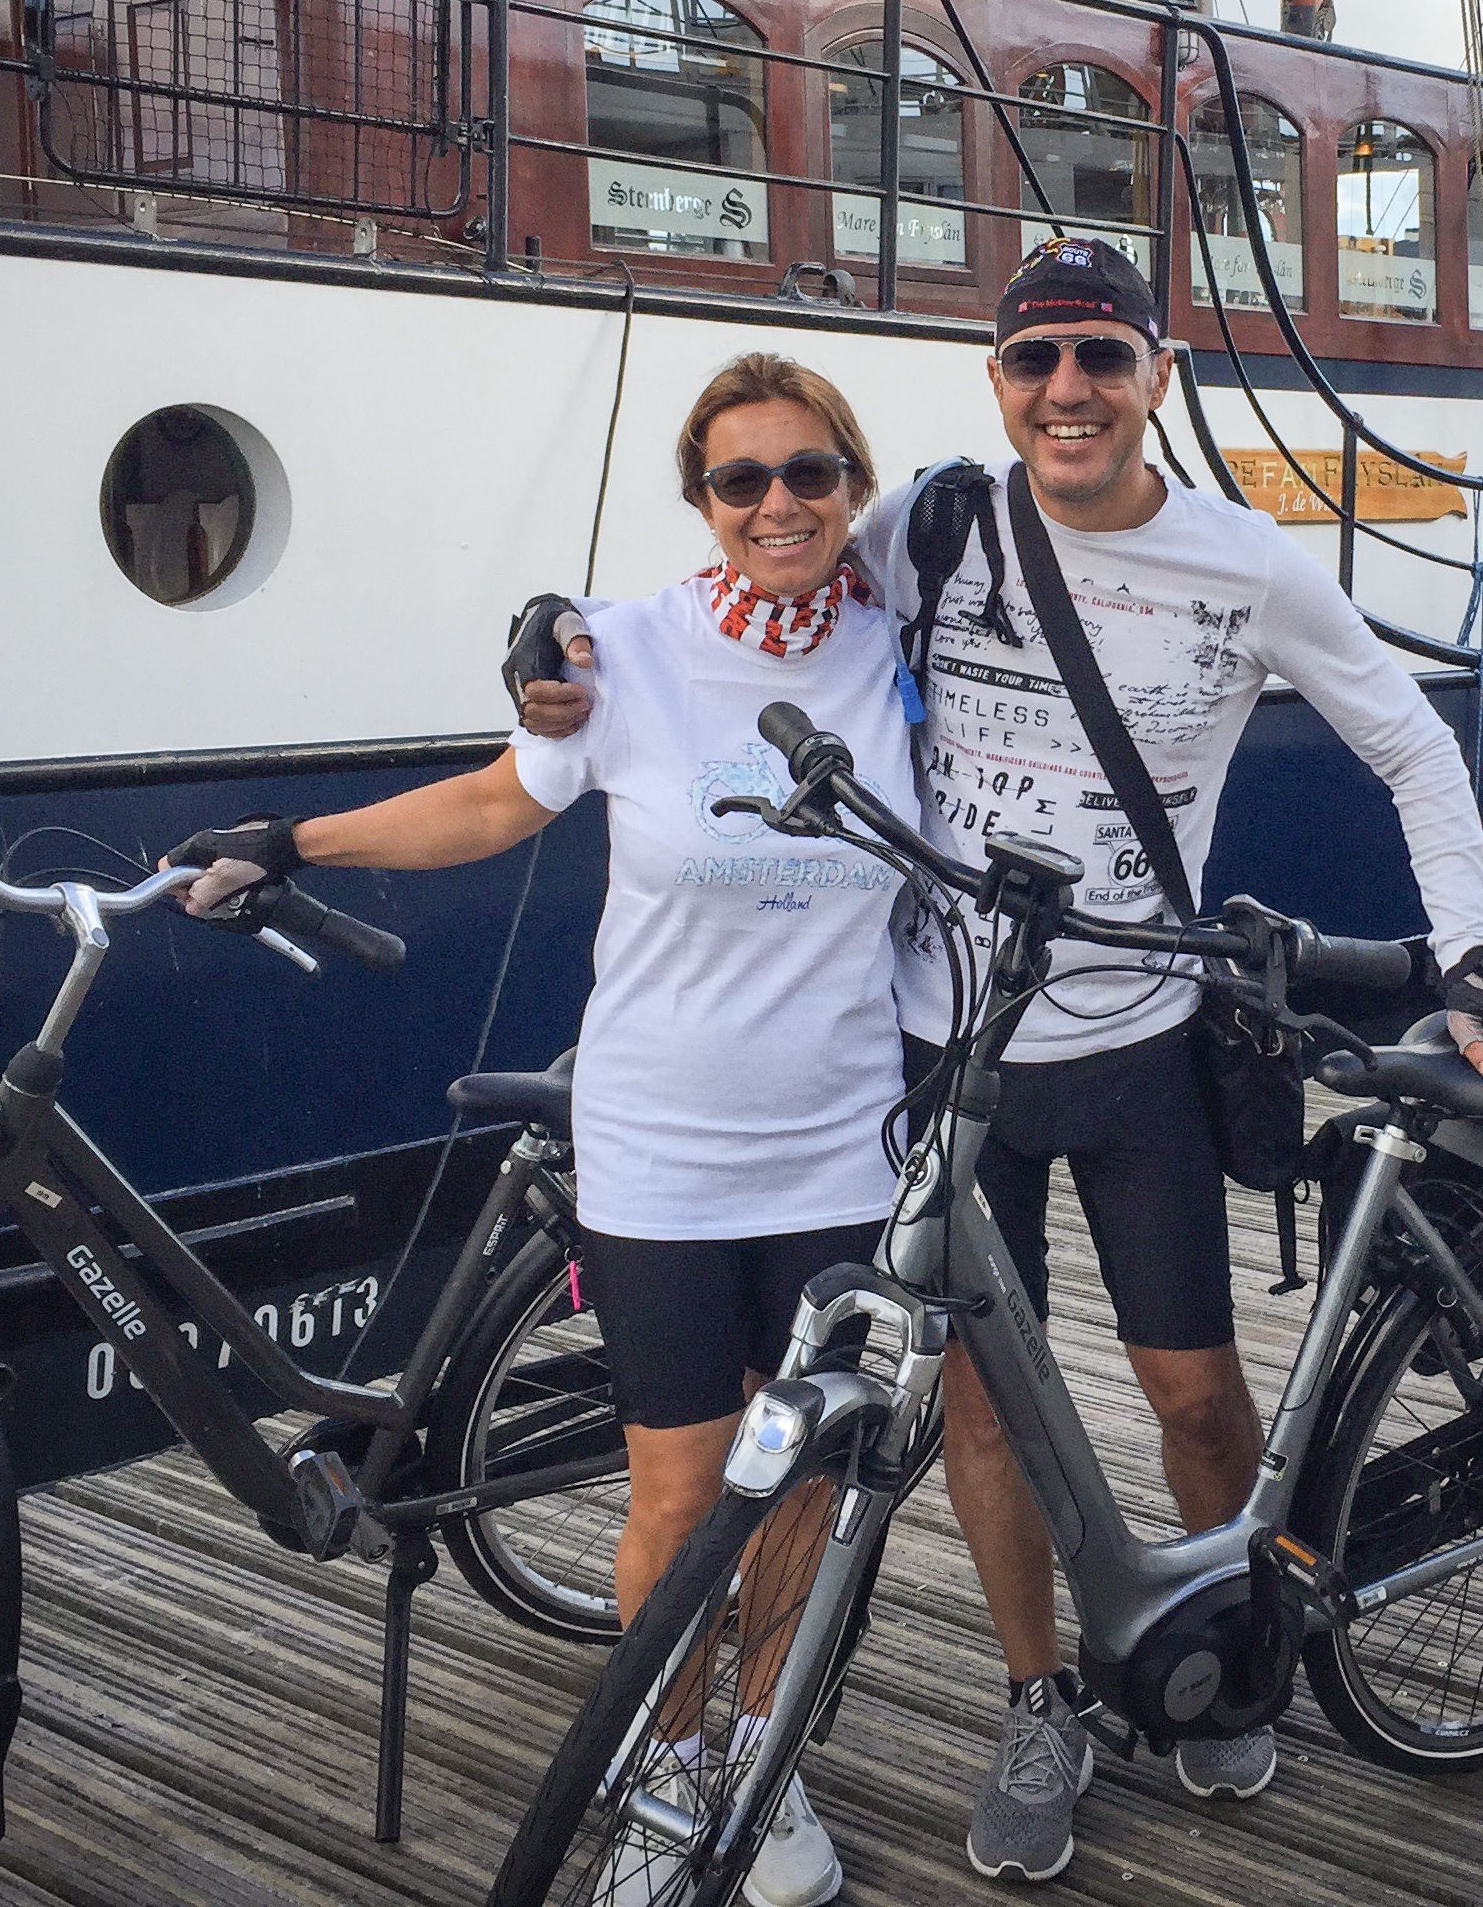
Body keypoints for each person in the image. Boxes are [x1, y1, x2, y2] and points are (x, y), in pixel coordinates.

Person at [525, 235, 1483, 1884]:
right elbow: (750, 592)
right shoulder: (934, 525)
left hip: (1136, 1042)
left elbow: (1411, 746)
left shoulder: (1248, 566)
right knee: (983, 1424)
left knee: (1190, 1392)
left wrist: (1467, 958)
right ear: (999, 383)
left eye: (1101, 355)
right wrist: (562, 656)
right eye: (1035, 361)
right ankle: (1041, 1698)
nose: (1068, 389)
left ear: (1156, 371)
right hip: (942, 1058)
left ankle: (1233, 1642)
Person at [175, 352, 916, 1907]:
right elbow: (501, 804)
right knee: (676, 1488)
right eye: (741, 480)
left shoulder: (898, 641)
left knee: (803, 1492)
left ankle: (759, 1770)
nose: (778, 503)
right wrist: (290, 840)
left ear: (855, 486)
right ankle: (668, 1774)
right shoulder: (626, 653)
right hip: (660, 1149)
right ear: (701, 503)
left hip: (840, 1144)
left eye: (808, 473)